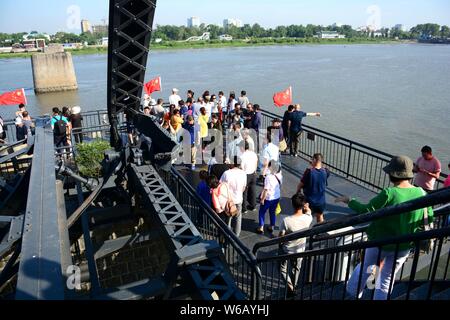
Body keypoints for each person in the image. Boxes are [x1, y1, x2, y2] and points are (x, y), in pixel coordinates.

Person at [335, 155, 434, 300]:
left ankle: (351, 295)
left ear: (392, 174)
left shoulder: (389, 193)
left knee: (365, 270)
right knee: (387, 277)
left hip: (379, 244)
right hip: (404, 245)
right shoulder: (421, 193)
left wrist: (349, 200)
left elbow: (367, 210)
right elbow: (428, 218)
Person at [279, 193, 313, 296]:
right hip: (299, 250)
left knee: (281, 268)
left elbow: (281, 236)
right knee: (296, 269)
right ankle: (294, 285)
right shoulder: (308, 218)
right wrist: (307, 207)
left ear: (292, 204)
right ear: (303, 205)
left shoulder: (286, 221)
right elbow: (309, 212)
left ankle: (290, 286)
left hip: (286, 249)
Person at [297, 153, 330, 224]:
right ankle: (320, 232)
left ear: (314, 160)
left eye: (312, 159)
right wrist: (315, 164)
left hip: (309, 201)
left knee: (305, 217)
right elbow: (321, 171)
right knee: (320, 216)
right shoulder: (326, 171)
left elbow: (300, 185)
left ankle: (303, 233)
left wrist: (298, 193)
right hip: (321, 201)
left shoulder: (309, 172)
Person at [220, 160, 247, 237]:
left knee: (228, 217)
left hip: (228, 200)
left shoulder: (226, 173)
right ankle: (236, 235)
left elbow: (221, 185)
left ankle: (227, 234)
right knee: (238, 217)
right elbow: (244, 187)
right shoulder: (243, 173)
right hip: (238, 199)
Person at [256, 161, 282, 235]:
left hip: (268, 198)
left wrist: (262, 199)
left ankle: (261, 227)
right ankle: (272, 226)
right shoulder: (279, 175)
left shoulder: (268, 177)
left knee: (262, 212)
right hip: (276, 197)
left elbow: (266, 189)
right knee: (272, 212)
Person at [239, 140, 258, 212]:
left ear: (242, 147)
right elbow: (256, 161)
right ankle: (253, 205)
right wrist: (255, 170)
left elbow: (242, 167)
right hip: (253, 174)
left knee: (244, 191)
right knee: (253, 190)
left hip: (245, 175)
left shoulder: (242, 156)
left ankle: (244, 208)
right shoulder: (253, 153)